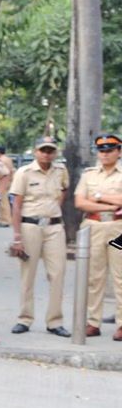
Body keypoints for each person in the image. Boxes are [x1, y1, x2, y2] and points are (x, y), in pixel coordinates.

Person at [8, 137, 70, 337]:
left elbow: (63, 191)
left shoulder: (60, 171)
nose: (46, 154)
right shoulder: (24, 173)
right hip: (30, 227)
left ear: (55, 153)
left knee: (57, 274)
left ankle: (55, 321)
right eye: (43, 150)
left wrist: (53, 210)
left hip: (54, 227)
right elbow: (16, 206)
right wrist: (17, 237)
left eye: (50, 151)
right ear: (35, 152)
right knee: (28, 274)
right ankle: (24, 319)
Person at [73, 133, 122, 339]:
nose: (105, 154)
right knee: (94, 277)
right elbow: (80, 202)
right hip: (93, 226)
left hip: (118, 228)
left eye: (109, 150)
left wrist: (100, 196)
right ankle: (93, 322)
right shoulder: (89, 175)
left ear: (119, 152)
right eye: (101, 151)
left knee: (120, 276)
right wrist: (111, 205)